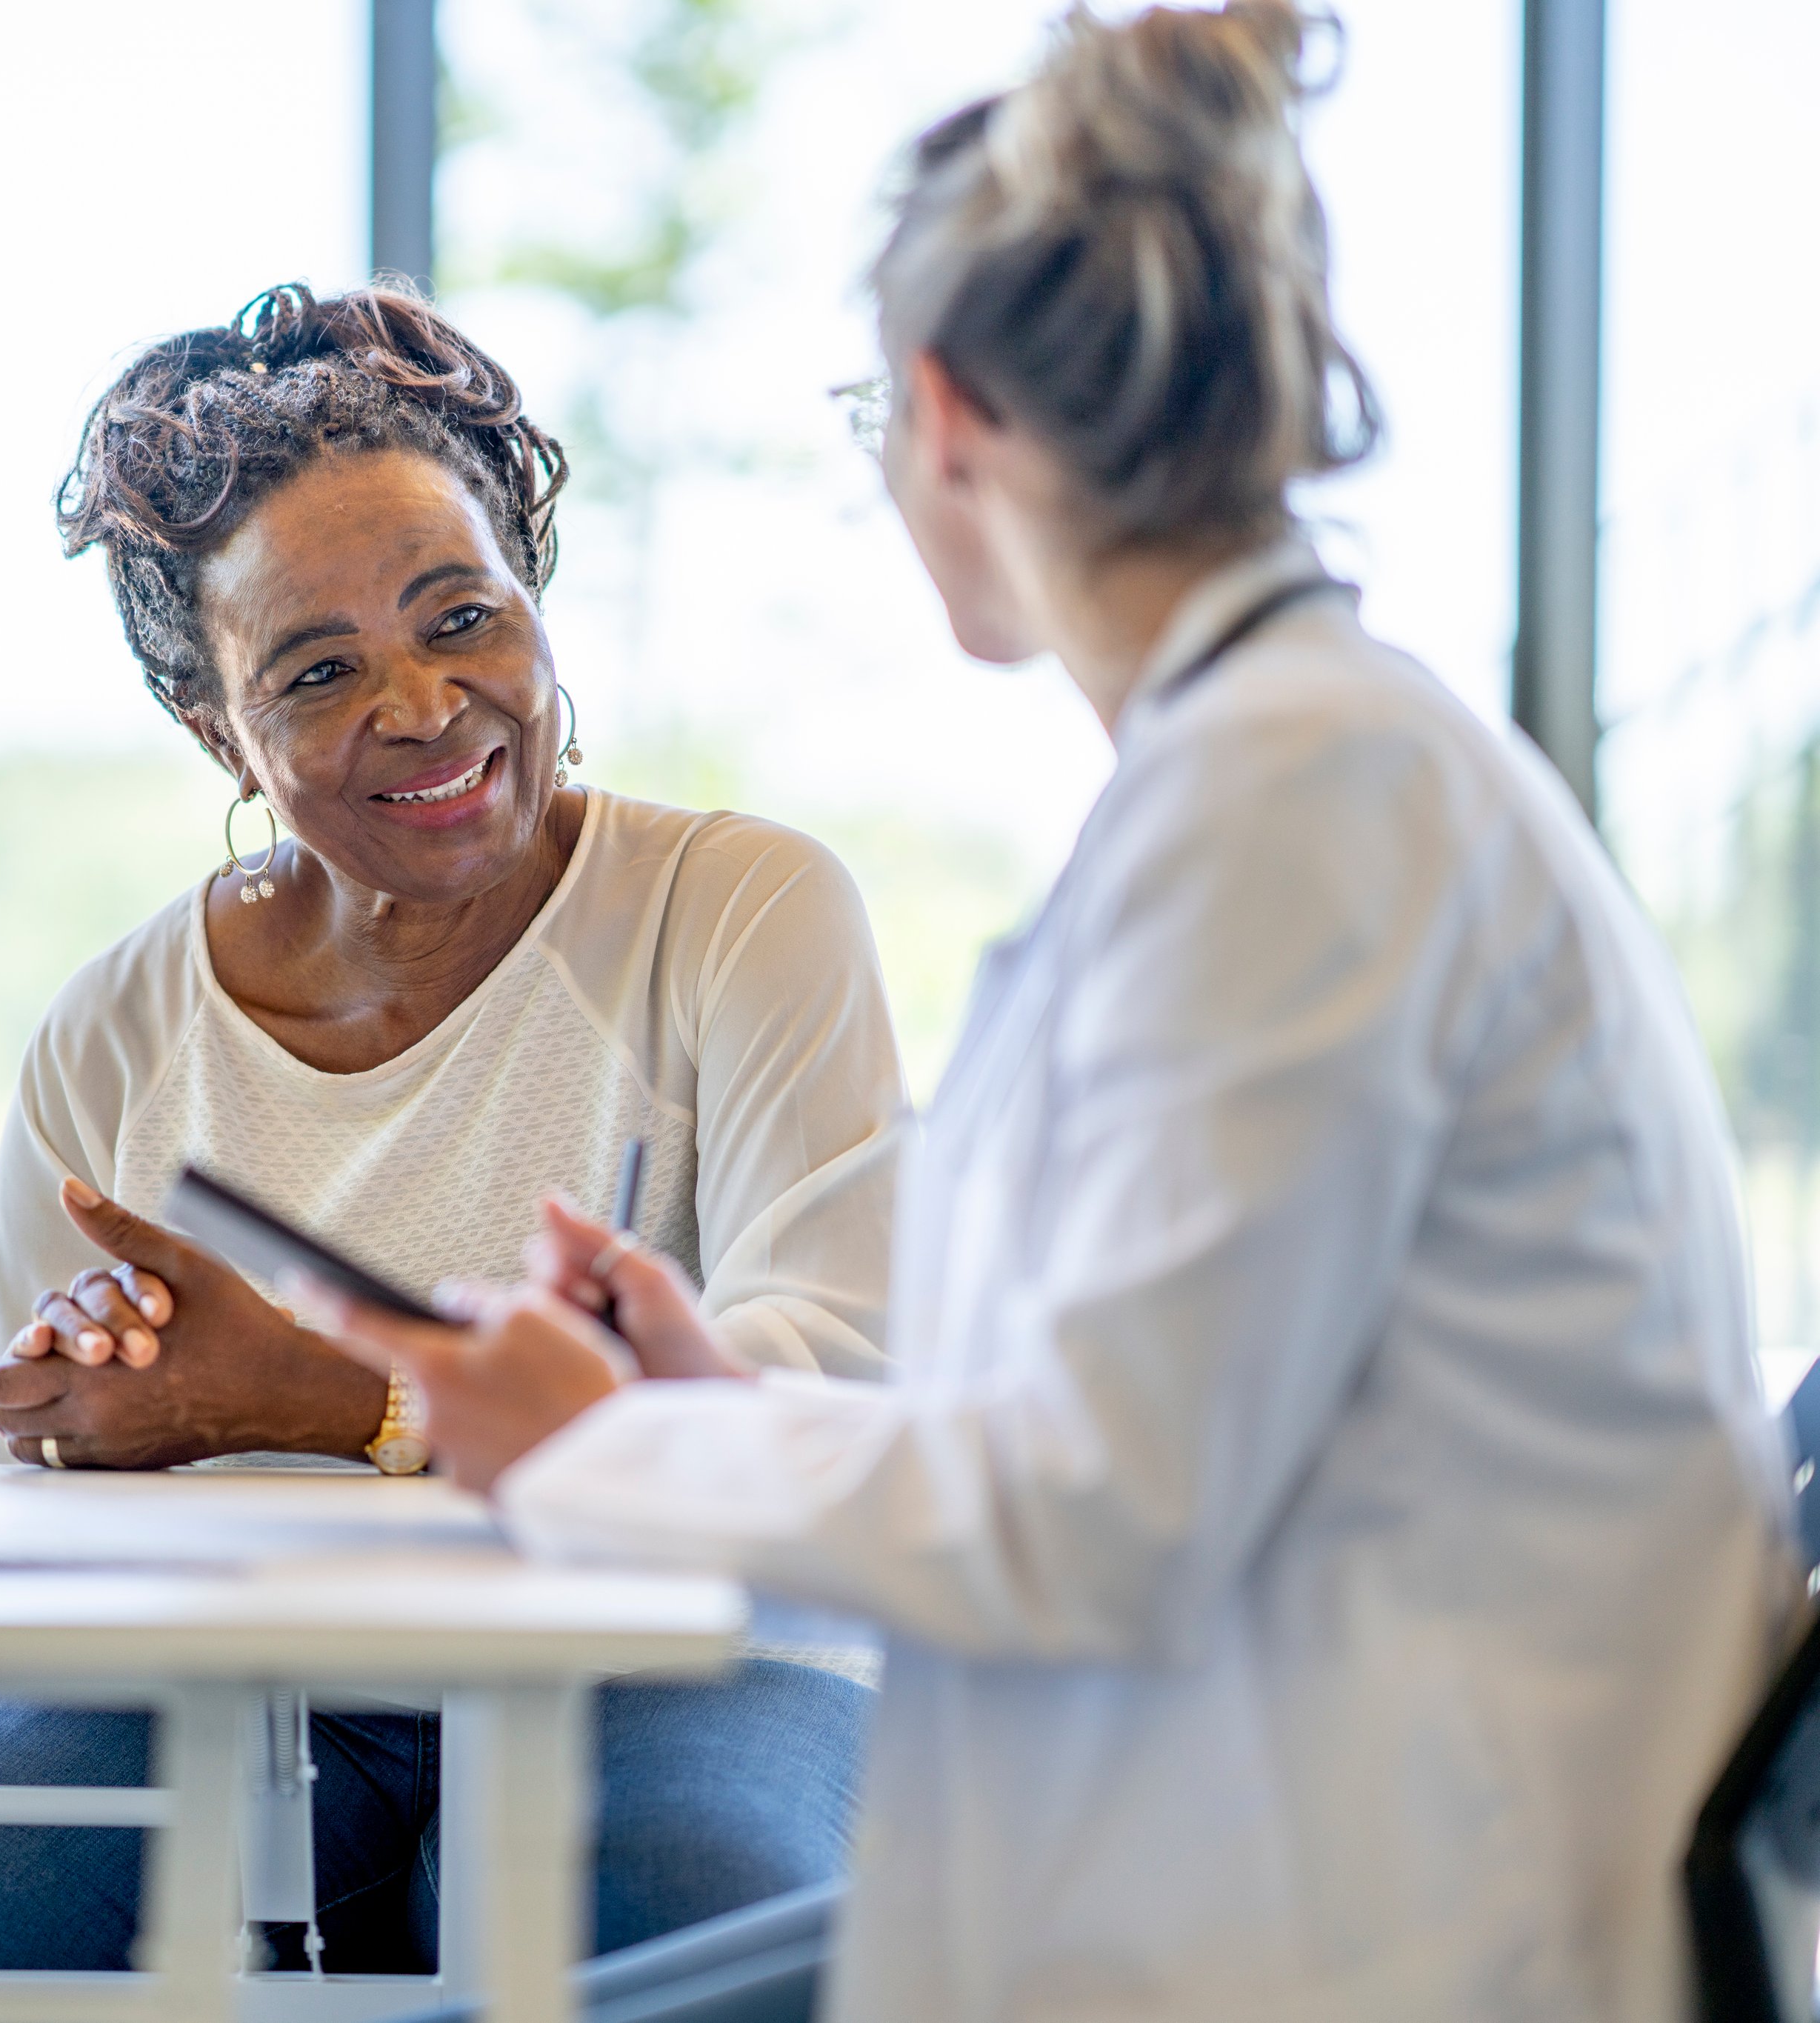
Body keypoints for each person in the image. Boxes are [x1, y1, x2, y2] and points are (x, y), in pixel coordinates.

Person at [299, 7, 1806, 2019]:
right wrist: (720, 1419)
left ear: (946, 414)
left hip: (1402, 1931)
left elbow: (1100, 1518)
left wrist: (592, 1455)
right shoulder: (1283, 776)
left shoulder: (1303, 806)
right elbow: (1140, 1420)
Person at [0, 283, 905, 1973]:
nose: (419, 708)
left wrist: (317, 1396)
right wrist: (86, 1410)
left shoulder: (735, 910)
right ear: (215, 725)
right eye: (321, 668)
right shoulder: (116, 1025)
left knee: (666, 1909)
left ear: (532, 604)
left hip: (685, 1659)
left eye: (460, 619)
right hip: (266, 1688)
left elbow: (828, 1374)